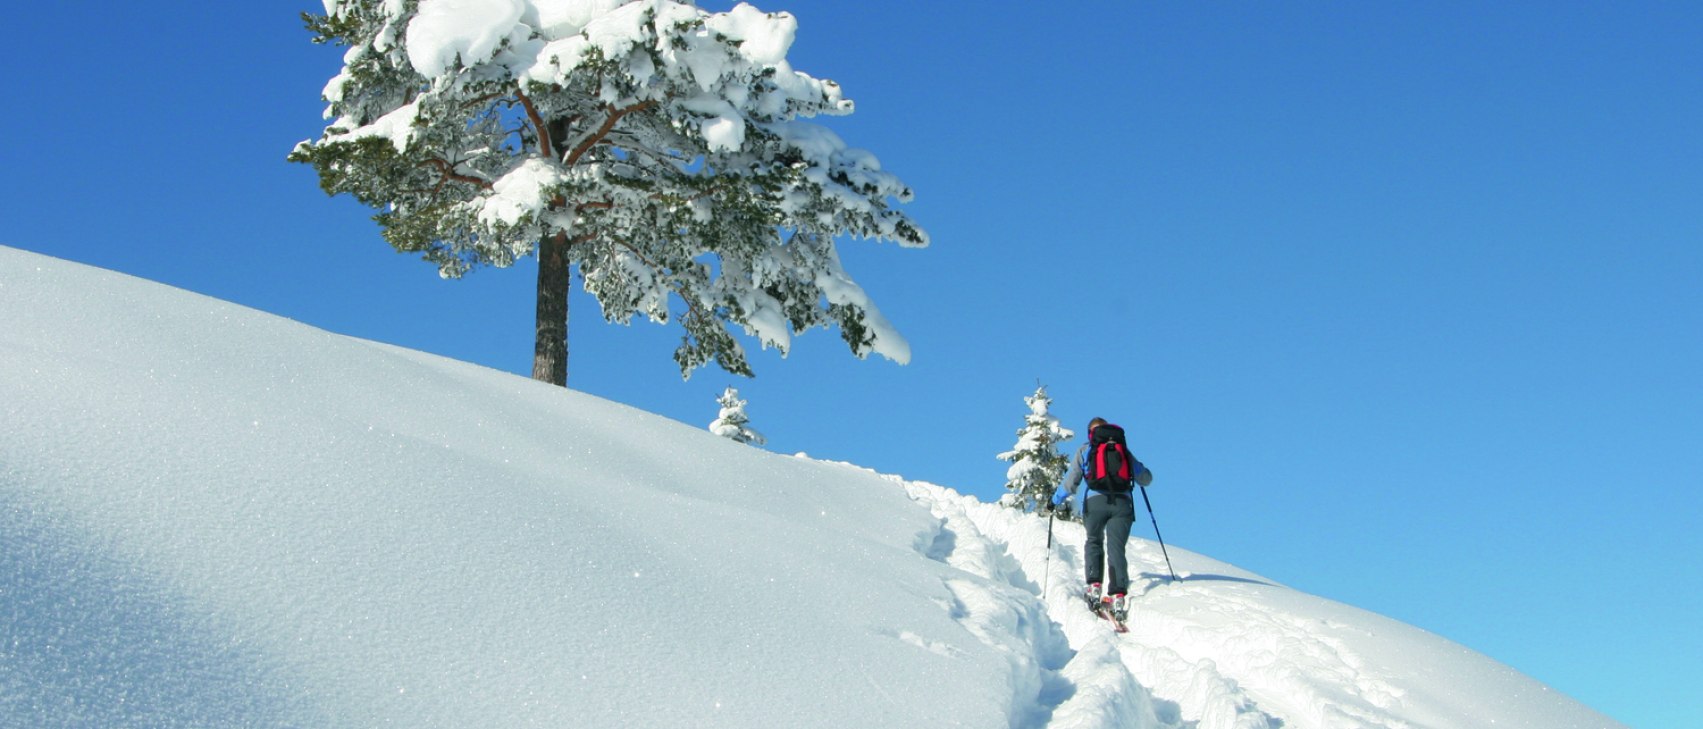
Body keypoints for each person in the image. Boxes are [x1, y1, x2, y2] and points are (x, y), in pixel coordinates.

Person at [1050, 418, 1152, 618]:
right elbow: (1145, 479)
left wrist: (1053, 501)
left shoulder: (1085, 450)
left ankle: (1094, 586)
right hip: (1122, 504)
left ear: (1090, 433)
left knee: (1094, 541)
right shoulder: (1122, 449)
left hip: (1095, 502)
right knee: (1116, 548)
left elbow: (1071, 482)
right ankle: (1119, 595)